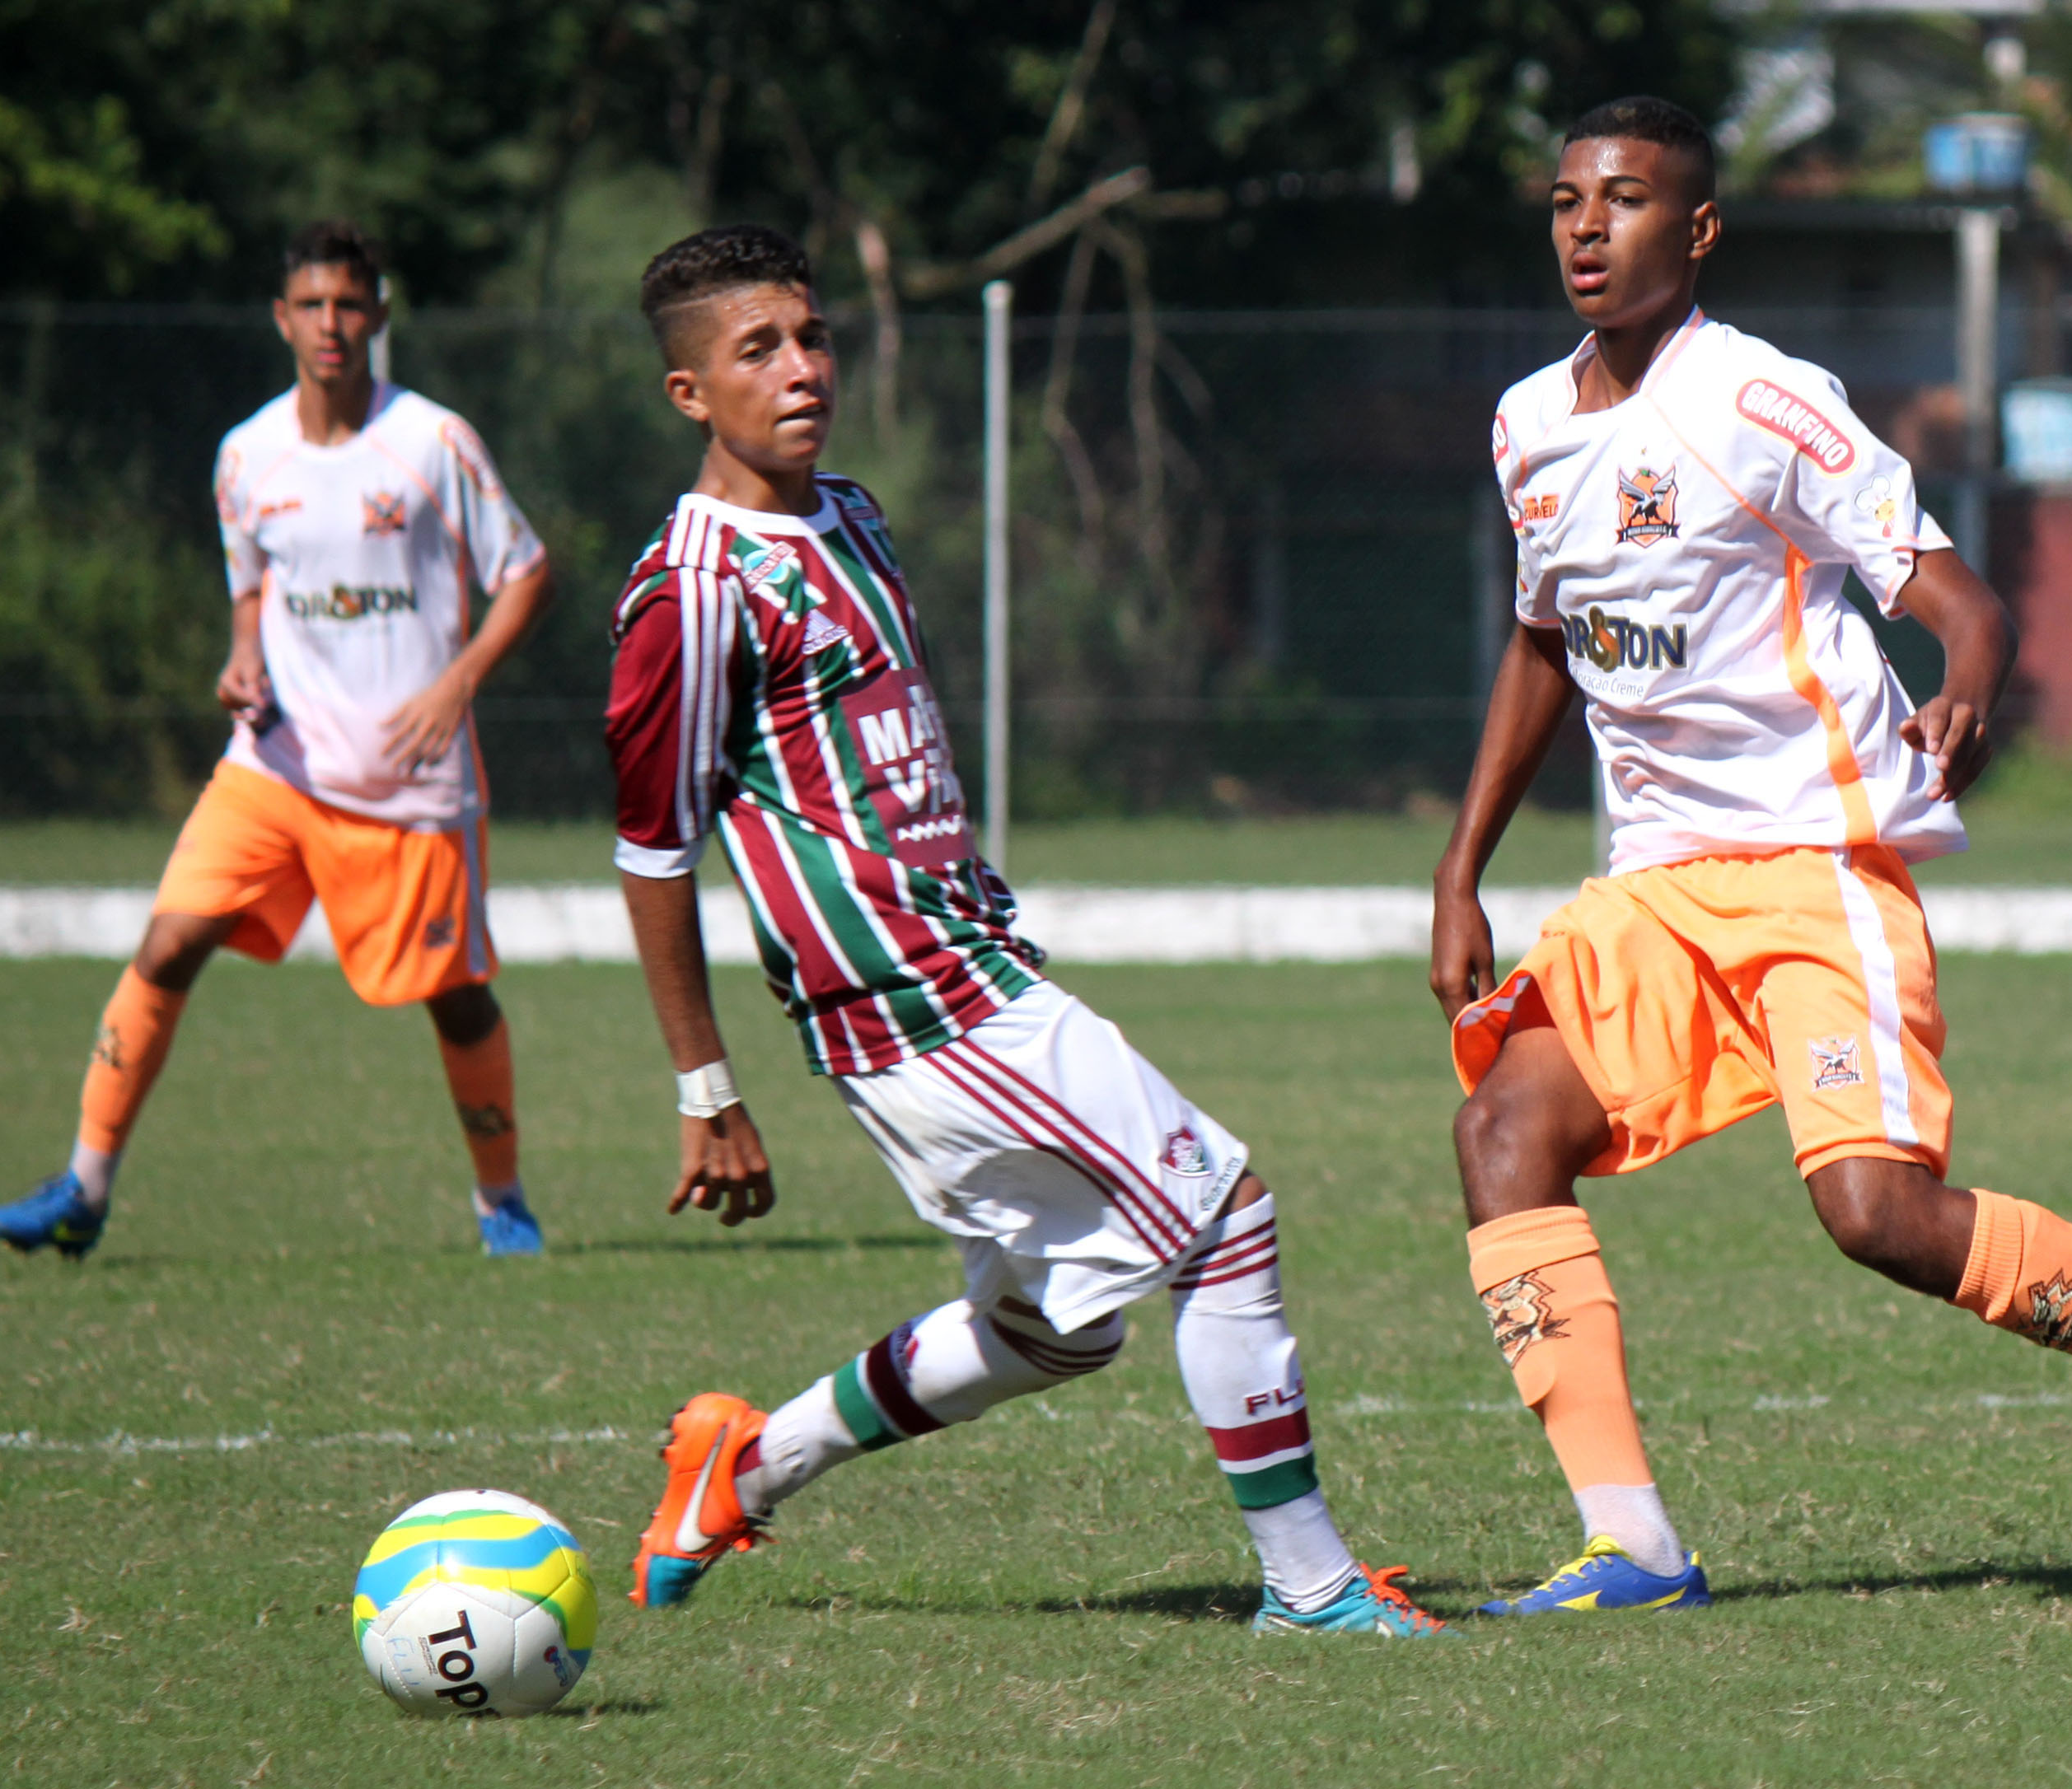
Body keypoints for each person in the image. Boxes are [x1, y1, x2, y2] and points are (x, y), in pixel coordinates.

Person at [1430, 98, 2072, 1616]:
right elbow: (1546, 640)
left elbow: (1958, 597)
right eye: (1564, 202)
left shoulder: (1762, 401)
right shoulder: (1526, 425)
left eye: (1621, 200)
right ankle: (1635, 1547)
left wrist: (1972, 688)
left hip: (1813, 864)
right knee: (1501, 1140)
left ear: (1699, 229)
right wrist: (1460, 862)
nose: (1585, 229)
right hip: (1655, 886)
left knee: (1875, 1216)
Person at [602, 226, 1447, 1637]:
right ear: (690, 394)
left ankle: (743, 1466)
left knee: (1054, 1330)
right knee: (1226, 1216)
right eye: (758, 349)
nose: (803, 368)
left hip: (975, 962)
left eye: (811, 336)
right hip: (913, 996)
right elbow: (652, 852)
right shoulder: (693, 593)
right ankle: (1308, 1588)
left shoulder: (851, 515)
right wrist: (706, 1088)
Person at [0, 221, 555, 1261]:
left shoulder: (432, 441)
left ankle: (501, 1199)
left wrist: (458, 681)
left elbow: (527, 571)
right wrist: (242, 657)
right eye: (311, 305)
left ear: (378, 317)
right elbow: (251, 589)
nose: (331, 324)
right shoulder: (247, 455)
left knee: (456, 997)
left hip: (409, 787)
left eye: (349, 304)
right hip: (276, 767)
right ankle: (85, 1185)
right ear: (281, 318)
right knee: (170, 940)